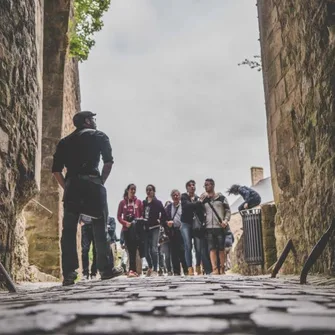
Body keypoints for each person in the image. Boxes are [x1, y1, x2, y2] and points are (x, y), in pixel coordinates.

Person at [52, 111, 123, 285]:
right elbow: (108, 162)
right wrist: (101, 182)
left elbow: (56, 170)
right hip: (93, 184)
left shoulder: (64, 142)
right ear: (87, 121)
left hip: (73, 187)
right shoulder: (99, 136)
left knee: (68, 230)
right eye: (92, 118)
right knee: (100, 227)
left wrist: (67, 187)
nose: (94, 121)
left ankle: (69, 273)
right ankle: (105, 270)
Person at [201, 178, 231, 275]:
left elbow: (228, 211)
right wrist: (200, 200)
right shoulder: (204, 200)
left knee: (221, 249)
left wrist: (226, 221)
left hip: (220, 227)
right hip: (209, 227)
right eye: (205, 185)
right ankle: (215, 269)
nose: (206, 187)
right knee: (212, 248)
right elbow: (199, 211)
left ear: (213, 185)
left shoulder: (221, 198)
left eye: (207, 185)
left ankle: (222, 269)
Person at [180, 180, 207, 276]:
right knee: (188, 246)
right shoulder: (183, 196)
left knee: (198, 247)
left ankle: (198, 266)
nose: (192, 187)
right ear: (187, 187)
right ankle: (190, 268)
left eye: (193, 185)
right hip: (185, 224)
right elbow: (186, 206)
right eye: (190, 185)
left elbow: (201, 210)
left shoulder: (197, 198)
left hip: (196, 225)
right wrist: (198, 203)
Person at [117, 184, 143, 277]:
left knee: (136, 249)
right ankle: (131, 270)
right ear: (127, 190)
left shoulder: (139, 202)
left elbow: (142, 215)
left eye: (134, 189)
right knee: (130, 249)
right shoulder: (122, 203)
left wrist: (138, 221)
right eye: (131, 189)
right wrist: (125, 223)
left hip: (136, 229)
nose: (133, 191)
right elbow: (119, 216)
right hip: (126, 229)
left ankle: (135, 270)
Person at [143, 184, 167, 277]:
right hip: (146, 228)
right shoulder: (144, 202)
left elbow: (164, 214)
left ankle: (155, 269)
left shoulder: (158, 203)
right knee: (145, 250)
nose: (149, 191)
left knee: (154, 249)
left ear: (154, 191)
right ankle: (150, 266)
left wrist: (160, 221)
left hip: (155, 227)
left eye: (150, 190)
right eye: (147, 190)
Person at [165, 189, 188, 276]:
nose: (176, 197)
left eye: (177, 195)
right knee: (174, 252)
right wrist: (167, 223)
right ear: (171, 197)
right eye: (174, 195)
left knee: (183, 250)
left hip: (182, 230)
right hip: (172, 231)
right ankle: (176, 271)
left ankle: (186, 269)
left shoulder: (183, 206)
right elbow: (164, 218)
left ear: (180, 196)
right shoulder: (169, 207)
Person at [79, 214, 97, 280]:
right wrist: (80, 221)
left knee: (95, 251)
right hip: (85, 226)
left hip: (95, 225)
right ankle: (85, 273)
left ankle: (94, 273)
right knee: (84, 250)